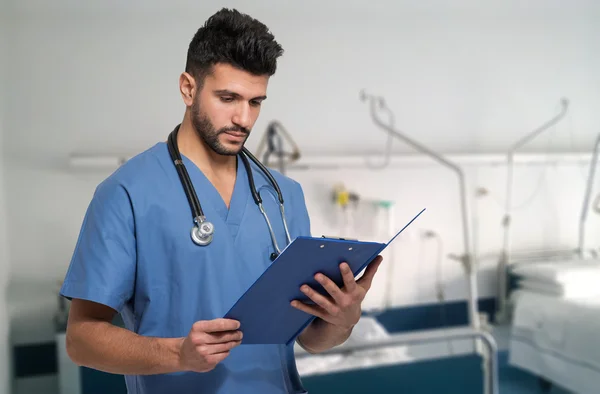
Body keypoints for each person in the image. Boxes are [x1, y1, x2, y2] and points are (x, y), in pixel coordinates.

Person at [60, 7, 383, 394]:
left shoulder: (282, 197)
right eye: (228, 98)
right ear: (188, 88)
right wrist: (178, 353)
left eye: (255, 102)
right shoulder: (127, 194)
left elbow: (311, 340)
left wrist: (342, 320)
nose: (243, 118)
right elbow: (81, 339)